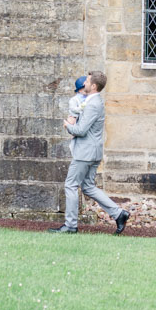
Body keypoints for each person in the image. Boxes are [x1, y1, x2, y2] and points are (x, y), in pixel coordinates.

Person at [48, 70, 130, 235]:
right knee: (88, 186)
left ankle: (70, 225)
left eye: (87, 81)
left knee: (71, 185)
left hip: (85, 153)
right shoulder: (94, 101)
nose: (84, 83)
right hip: (93, 152)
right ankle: (119, 214)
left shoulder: (93, 104)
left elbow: (81, 130)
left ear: (93, 86)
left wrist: (67, 125)